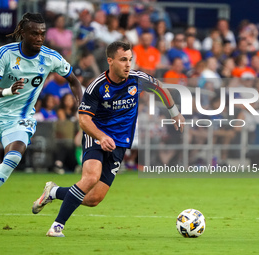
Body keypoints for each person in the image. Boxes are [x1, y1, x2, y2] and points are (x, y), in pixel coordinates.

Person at [31, 41, 185, 237]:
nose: (128, 64)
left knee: (93, 199)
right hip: (96, 135)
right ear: (110, 61)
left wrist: (175, 113)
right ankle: (57, 226)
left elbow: (160, 88)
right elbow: (84, 119)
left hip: (119, 143)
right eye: (123, 60)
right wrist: (101, 136)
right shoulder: (97, 86)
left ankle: (53, 192)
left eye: (130, 60)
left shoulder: (137, 79)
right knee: (91, 177)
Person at [0, 13, 82, 227]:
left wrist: (81, 105)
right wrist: (8, 90)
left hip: (21, 118)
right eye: (34, 33)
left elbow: (74, 81)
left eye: (42, 33)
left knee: (13, 157)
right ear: (22, 33)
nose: (39, 38)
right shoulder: (5, 53)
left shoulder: (50, 57)